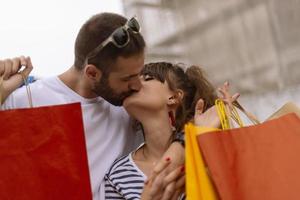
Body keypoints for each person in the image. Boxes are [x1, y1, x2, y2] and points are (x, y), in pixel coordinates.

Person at [0, 13, 185, 200]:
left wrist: (180, 147)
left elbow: (200, 117)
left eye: (139, 74)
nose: (137, 85)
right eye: (127, 78)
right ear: (92, 73)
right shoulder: (25, 101)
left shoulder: (130, 105)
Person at [104, 62, 237, 200]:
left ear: (173, 97)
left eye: (147, 78)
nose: (134, 84)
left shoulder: (208, 161)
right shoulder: (117, 174)